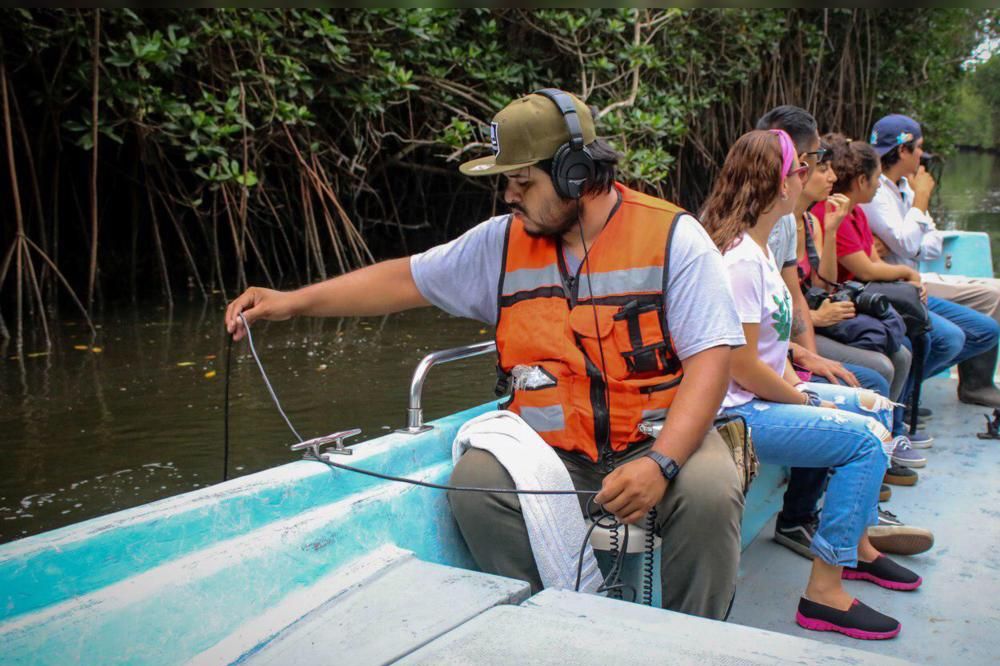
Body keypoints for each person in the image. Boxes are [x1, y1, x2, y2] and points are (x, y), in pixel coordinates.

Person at [224, 90, 746, 619]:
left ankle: (693, 638)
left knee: (710, 490)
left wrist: (661, 463)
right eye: (507, 181)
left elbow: (711, 364)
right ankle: (550, 626)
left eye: (523, 182)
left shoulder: (674, 238)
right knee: (475, 484)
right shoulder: (500, 243)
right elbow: (404, 279)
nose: (508, 196)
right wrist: (291, 303)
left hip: (657, 439)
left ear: (575, 175)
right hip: (553, 454)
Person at [703, 128, 920, 640]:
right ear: (778, 184)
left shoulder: (759, 249)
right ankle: (823, 593)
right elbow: (740, 366)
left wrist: (804, 377)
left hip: (761, 395)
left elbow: (769, 348)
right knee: (865, 441)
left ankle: (857, 548)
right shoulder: (740, 263)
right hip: (736, 410)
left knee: (877, 406)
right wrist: (803, 398)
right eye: (799, 169)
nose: (808, 176)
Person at [755, 107, 924, 557]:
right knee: (868, 380)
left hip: (787, 349)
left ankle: (859, 516)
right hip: (757, 376)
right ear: (790, 167)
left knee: (877, 374)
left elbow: (797, 296)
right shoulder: (746, 239)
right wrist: (802, 375)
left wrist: (809, 356)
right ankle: (805, 518)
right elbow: (746, 341)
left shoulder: (792, 221)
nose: (827, 174)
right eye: (815, 162)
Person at [814, 134, 1000, 449]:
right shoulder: (835, 212)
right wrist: (908, 271)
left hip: (897, 287)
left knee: (983, 329)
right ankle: (898, 415)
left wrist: (907, 275)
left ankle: (906, 398)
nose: (878, 184)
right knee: (926, 341)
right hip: (872, 293)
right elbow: (873, 265)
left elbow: (908, 250)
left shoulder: (858, 209)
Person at [862, 113, 1000, 407]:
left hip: (915, 281)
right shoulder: (876, 192)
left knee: (990, 314)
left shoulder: (905, 187)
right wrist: (922, 201)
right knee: (953, 337)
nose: (922, 155)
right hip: (896, 287)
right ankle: (904, 395)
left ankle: (927, 387)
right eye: (920, 147)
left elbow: (930, 245)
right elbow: (910, 244)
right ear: (903, 150)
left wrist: (910, 237)